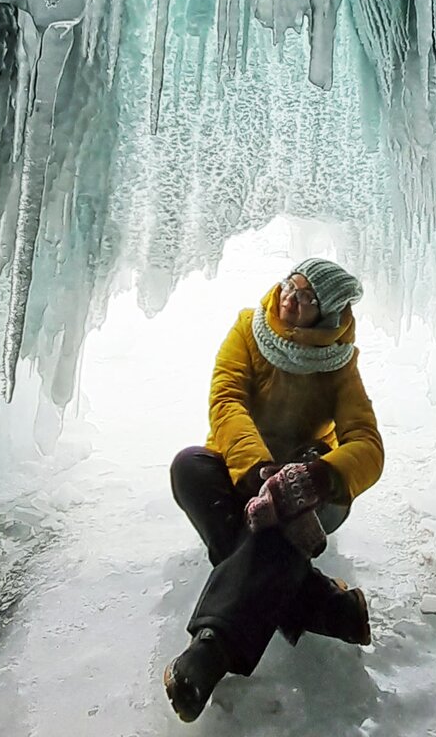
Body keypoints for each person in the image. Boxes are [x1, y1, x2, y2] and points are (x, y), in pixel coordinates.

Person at [164, 257, 384, 722]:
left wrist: (316, 479)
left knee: (277, 526)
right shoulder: (248, 329)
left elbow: (366, 443)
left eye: (305, 298)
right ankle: (321, 604)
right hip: (247, 471)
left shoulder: (340, 364)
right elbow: (226, 402)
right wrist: (261, 476)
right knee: (189, 467)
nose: (290, 298)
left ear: (324, 313)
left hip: (306, 490)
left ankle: (212, 649)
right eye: (290, 285)